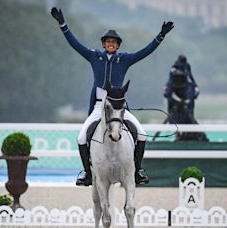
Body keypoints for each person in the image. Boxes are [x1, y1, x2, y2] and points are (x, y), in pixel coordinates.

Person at [50, 7, 174, 186]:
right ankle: (87, 173)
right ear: (103, 44)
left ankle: (137, 170)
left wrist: (160, 36)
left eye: (114, 42)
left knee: (142, 135)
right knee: (81, 138)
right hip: (99, 107)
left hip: (118, 107)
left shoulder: (124, 59)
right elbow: (75, 44)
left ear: (118, 45)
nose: (111, 44)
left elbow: (144, 52)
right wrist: (63, 24)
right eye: (108, 41)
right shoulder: (94, 56)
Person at [163, 55, 199, 124]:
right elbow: (170, 79)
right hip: (174, 96)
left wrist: (195, 87)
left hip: (186, 96)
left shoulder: (187, 66)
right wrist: (167, 88)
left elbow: (191, 77)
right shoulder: (174, 67)